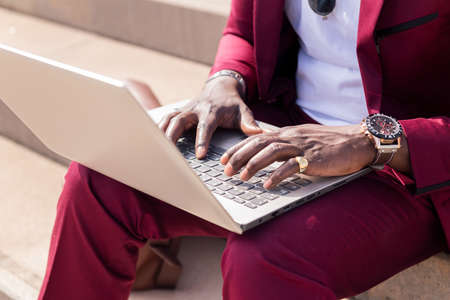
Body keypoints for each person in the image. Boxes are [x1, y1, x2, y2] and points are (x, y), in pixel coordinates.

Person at [38, 0, 449, 299]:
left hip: (406, 167)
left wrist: (370, 140)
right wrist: (224, 80)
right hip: (277, 126)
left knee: (263, 260)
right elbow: (242, 30)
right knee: (101, 177)